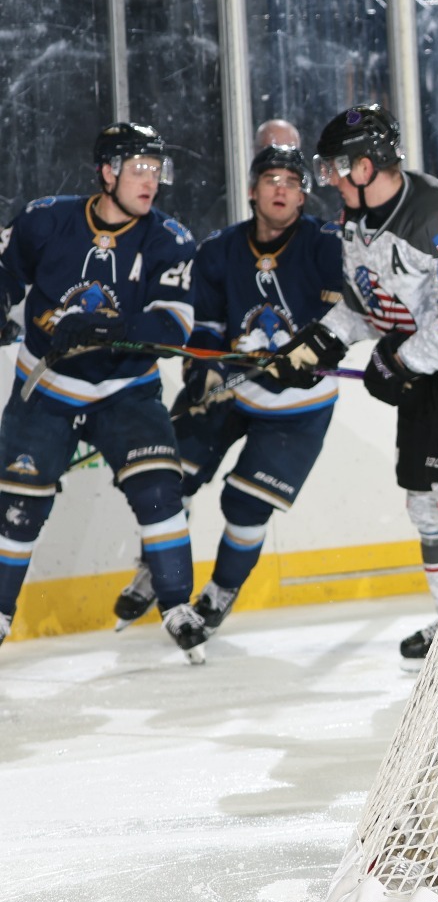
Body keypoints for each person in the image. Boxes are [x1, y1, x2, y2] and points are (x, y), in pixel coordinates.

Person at [283, 104, 438, 666]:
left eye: (335, 168)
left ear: (366, 167)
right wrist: (316, 344)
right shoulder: (356, 221)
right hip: (428, 357)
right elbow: (365, 307)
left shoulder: (437, 216)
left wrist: (396, 364)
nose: (328, 180)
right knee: (424, 505)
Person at [108, 144, 346, 634]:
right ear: (252, 191)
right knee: (167, 478)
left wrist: (316, 351)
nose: (281, 189)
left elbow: (346, 315)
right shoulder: (219, 249)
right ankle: (158, 569)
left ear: (303, 197)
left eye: (292, 182)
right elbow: (205, 326)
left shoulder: (326, 243)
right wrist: (207, 371)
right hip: (229, 391)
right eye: (271, 179)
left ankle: (220, 591)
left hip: (298, 407)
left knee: (245, 503)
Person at [0, 123, 209, 658]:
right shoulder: (46, 219)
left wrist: (108, 329)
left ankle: (178, 606)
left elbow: (173, 327)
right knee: (18, 506)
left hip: (125, 389)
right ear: (107, 171)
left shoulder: (170, 240)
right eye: (138, 169)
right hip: (47, 386)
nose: (150, 182)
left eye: (156, 171)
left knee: (160, 489)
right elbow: (7, 275)